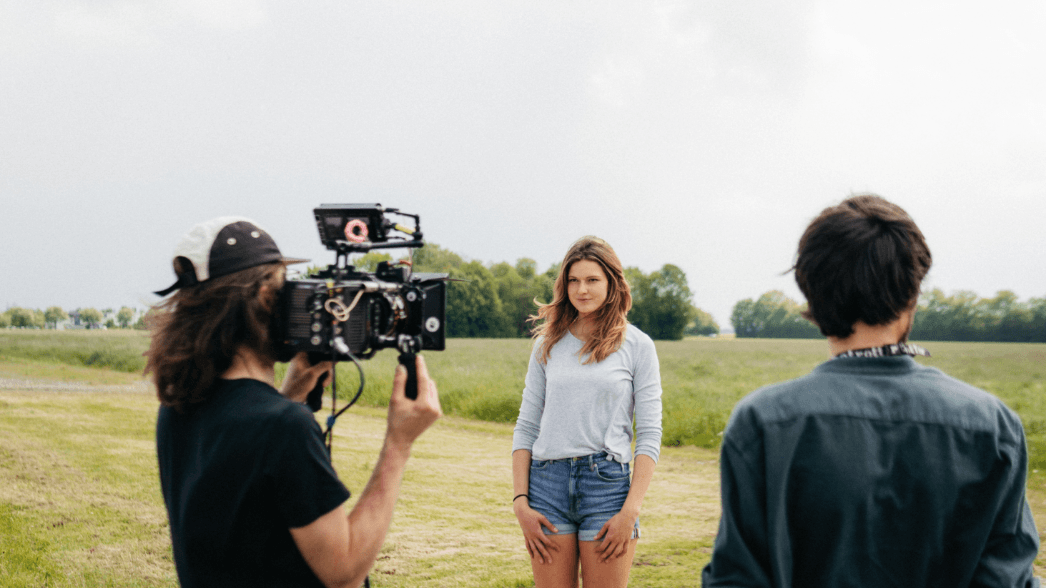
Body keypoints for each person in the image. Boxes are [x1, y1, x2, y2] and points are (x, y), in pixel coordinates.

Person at [702, 195, 1040, 587]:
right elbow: (1006, 577)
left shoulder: (763, 422)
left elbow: (737, 578)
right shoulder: (992, 426)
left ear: (811, 292)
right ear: (913, 293)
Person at [146, 216, 442, 588]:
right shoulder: (283, 427)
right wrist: (399, 444)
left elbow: (244, 509)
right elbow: (343, 571)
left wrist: (292, 395)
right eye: (288, 291)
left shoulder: (178, 407)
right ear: (262, 299)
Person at [512, 236, 663, 588]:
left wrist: (630, 511)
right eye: (573, 280)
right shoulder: (546, 344)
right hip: (546, 486)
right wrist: (521, 502)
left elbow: (650, 434)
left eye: (592, 280)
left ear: (612, 284)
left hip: (607, 488)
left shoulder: (637, 346)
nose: (581, 289)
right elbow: (526, 427)